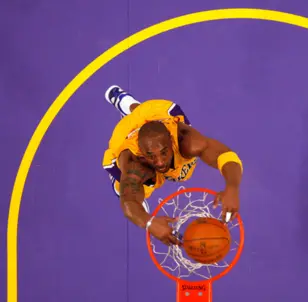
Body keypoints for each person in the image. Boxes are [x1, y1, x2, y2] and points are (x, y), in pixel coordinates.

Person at [101, 85, 243, 246]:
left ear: (171, 140)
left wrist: (232, 188)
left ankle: (127, 103)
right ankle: (129, 110)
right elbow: (128, 201)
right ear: (142, 153)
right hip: (124, 135)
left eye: (163, 152)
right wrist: (148, 222)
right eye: (151, 156)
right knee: (131, 186)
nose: (160, 162)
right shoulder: (134, 163)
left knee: (141, 111)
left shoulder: (187, 141)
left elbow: (225, 155)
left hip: (155, 113)